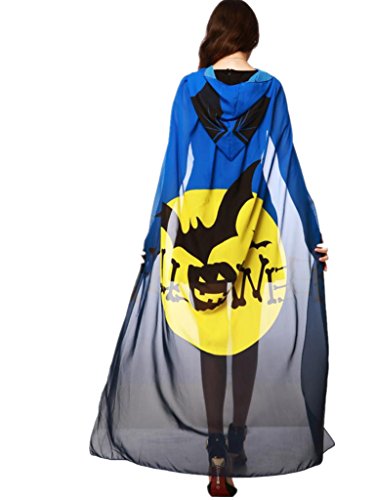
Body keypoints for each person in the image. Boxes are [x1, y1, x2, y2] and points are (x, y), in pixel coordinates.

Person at [89, 1, 333, 497]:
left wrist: (154, 238)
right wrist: (313, 235)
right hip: (253, 224)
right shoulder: (271, 88)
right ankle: (238, 438)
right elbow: (288, 164)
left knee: (209, 336)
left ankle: (216, 453)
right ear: (252, 35)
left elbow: (173, 165)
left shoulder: (189, 88)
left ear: (216, 33)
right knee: (245, 333)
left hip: (200, 226)